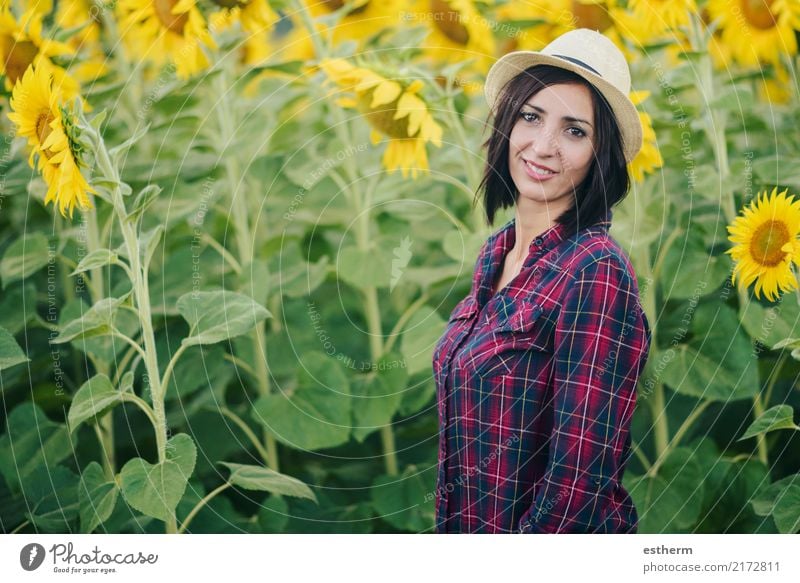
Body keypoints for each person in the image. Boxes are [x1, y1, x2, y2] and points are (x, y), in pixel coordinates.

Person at [431, 28, 652, 534]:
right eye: (531, 117)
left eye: (575, 130)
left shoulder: (595, 269)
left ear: (602, 155)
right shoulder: (498, 255)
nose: (544, 146)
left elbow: (576, 487)